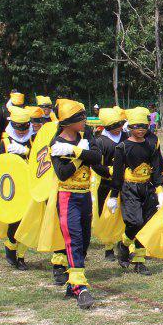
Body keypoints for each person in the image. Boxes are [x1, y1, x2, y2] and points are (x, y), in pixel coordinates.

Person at [46, 99, 103, 307]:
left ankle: (72, 282)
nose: (84, 120)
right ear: (68, 122)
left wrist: (77, 152)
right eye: (80, 117)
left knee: (85, 239)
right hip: (67, 197)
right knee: (73, 239)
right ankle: (81, 288)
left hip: (85, 194)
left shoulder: (85, 136)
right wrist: (80, 156)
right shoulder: (55, 144)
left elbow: (96, 157)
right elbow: (62, 173)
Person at [108, 107, 163, 274]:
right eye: (137, 126)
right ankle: (124, 244)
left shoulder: (151, 145)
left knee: (146, 225)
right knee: (135, 222)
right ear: (130, 127)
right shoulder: (122, 147)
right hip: (129, 189)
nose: (141, 129)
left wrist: (160, 191)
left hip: (147, 188)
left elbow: (157, 168)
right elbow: (117, 174)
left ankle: (139, 260)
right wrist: (113, 195)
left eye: (144, 126)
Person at [0, 104, 36, 267]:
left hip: (29, 186)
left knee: (28, 221)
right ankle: (11, 248)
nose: (21, 130)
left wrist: (28, 152)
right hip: (11, 188)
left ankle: (21, 255)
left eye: (24, 127)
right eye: (18, 127)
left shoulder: (33, 140)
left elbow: (40, 161)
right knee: (14, 221)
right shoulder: (5, 142)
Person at [90, 106, 126, 264]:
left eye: (119, 125)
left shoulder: (126, 137)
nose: (118, 129)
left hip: (126, 184)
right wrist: (110, 171)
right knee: (108, 215)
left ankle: (123, 245)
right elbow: (96, 164)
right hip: (107, 185)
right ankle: (108, 247)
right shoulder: (100, 142)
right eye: (114, 127)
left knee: (125, 214)